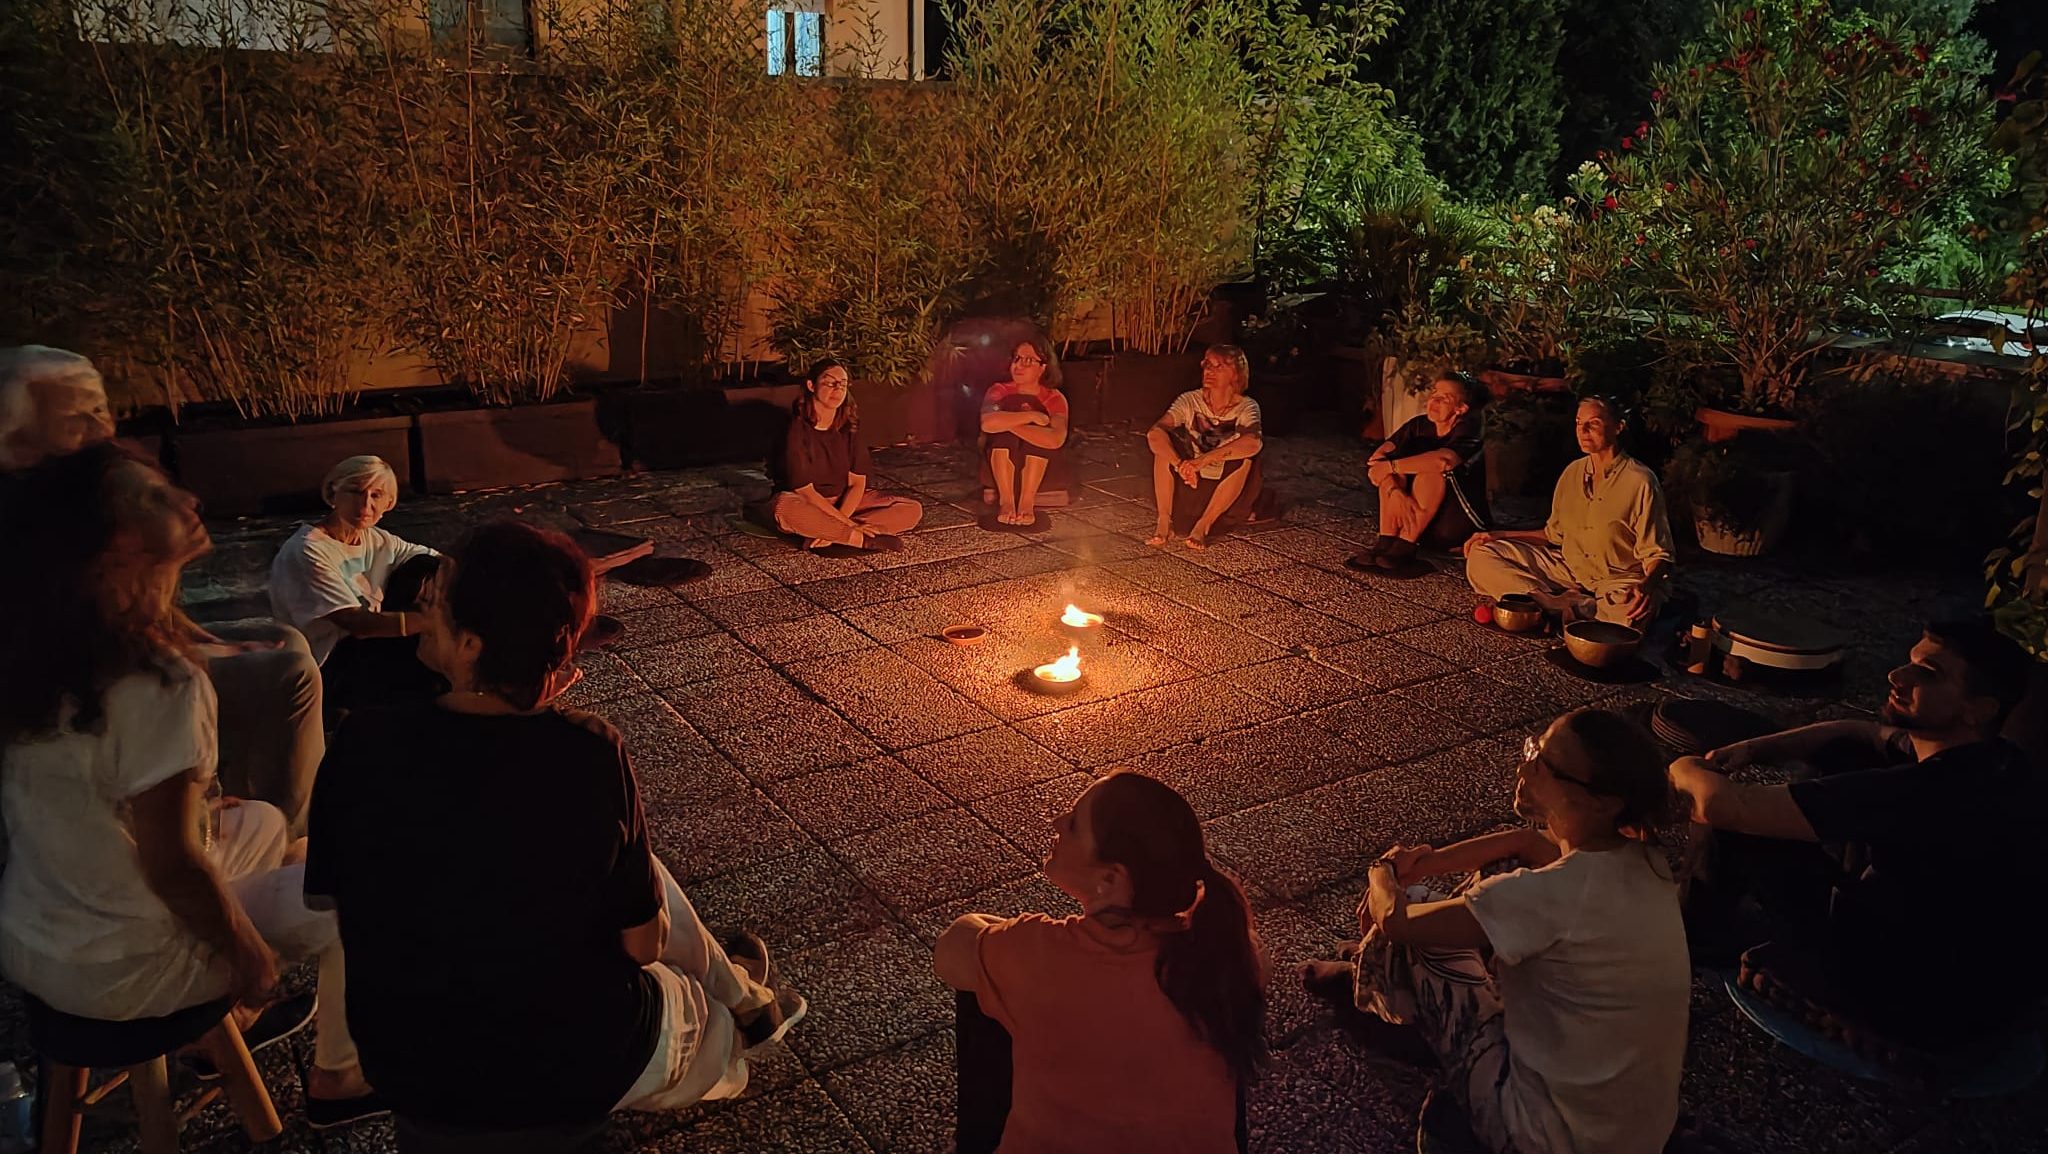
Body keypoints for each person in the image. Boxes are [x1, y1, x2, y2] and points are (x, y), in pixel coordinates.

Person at [303, 520, 804, 1136]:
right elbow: (641, 947)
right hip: (572, 1062)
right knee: (708, 1027)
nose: (422, 610)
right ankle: (744, 1007)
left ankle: (742, 990)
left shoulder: (361, 742)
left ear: (471, 645)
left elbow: (331, 899)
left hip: (408, 1063)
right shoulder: (586, 750)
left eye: (437, 602)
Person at [0, 443, 380, 1128]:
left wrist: (197, 810)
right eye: (155, 498)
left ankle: (223, 1026)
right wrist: (251, 963)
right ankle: (337, 1075)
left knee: (264, 821)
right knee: (367, 884)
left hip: (37, 941)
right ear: (111, 544)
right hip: (132, 966)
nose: (189, 501)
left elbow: (91, 790)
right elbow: (173, 866)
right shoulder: (157, 681)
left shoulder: (38, 652)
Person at [1302, 709, 1689, 1154]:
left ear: (1602, 801)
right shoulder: (1645, 862)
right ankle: (1372, 972)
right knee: (1499, 874)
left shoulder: (1551, 893)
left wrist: (1383, 870)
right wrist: (1423, 861)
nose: (1525, 767)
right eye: (1534, 749)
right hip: (1629, 1133)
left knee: (1419, 927)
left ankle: (1377, 997)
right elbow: (1522, 843)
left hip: (1541, 1135)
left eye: (1545, 766)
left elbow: (1397, 920)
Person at [1667, 619, 2042, 1058]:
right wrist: (1756, 749)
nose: (1897, 677)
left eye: (1929, 674)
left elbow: (1723, 806)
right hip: (1982, 984)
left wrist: (1684, 768)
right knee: (1844, 754)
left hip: (1922, 1002)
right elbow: (1857, 731)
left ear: (1979, 709)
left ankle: (1694, 934)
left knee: (1733, 821)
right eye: (1910, 663)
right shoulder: (1998, 759)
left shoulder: (1929, 791)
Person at [2, 345, 324, 834]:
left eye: (99, 409)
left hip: (120, 644)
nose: (98, 426)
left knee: (283, 636)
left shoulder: (82, 480)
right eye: (75, 415)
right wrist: (191, 652)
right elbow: (88, 634)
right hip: (94, 674)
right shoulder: (36, 516)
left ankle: (249, 798)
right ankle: (291, 833)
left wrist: (214, 642)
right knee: (289, 670)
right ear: (16, 434)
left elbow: (143, 594)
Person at [935, 770, 1264, 1154]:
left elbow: (950, 951)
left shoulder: (1042, 954)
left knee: (984, 984)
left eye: (1073, 825)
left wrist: (1003, 935)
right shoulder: (1220, 957)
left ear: (1110, 879)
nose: (1057, 823)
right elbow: (1258, 960)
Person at [1464, 396, 1674, 626]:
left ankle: (1559, 607)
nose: (1583, 431)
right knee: (1480, 555)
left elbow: (1658, 554)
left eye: (1593, 423)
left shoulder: (1640, 481)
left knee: (1628, 612)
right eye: (1578, 423)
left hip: (1618, 578)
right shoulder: (1572, 473)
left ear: (1618, 427)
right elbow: (1552, 536)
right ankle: (1551, 602)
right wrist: (1497, 536)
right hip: (1569, 569)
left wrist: (1647, 586)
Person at [269, 454, 443, 712]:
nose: (365, 504)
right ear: (333, 493)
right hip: (327, 666)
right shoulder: (307, 550)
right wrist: (438, 622)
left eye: (376, 495)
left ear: (389, 503)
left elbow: (440, 562)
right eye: (355, 492)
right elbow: (356, 623)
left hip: (367, 652)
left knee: (426, 568)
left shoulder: (379, 540)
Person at [771, 358, 922, 553]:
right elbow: (805, 492)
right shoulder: (796, 430)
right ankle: (858, 539)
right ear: (811, 385)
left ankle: (833, 534)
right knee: (783, 507)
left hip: (844, 503)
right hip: (810, 504)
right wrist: (849, 525)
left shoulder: (847, 427)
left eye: (842, 384)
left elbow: (857, 484)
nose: (838, 388)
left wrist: (845, 520)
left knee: (911, 508)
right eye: (829, 382)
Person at [1347, 372, 1489, 571]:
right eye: (1434, 394)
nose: (1434, 401)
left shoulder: (1469, 431)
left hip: (1451, 524)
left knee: (1429, 471)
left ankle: (1405, 546)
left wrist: (1391, 467)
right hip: (1413, 515)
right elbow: (1377, 463)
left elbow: (1443, 461)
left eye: (1444, 399)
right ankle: (1386, 543)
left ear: (1460, 408)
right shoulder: (1418, 425)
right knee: (1394, 471)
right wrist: (1395, 492)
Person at [1146, 344, 1265, 551]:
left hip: (1223, 482)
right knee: (1163, 444)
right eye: (1208, 365)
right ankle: (1164, 521)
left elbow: (1253, 441)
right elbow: (1154, 433)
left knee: (1245, 457)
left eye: (1219, 367)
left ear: (1236, 374)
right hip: (1191, 480)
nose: (1210, 371)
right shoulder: (1190, 400)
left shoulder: (1246, 407)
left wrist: (1202, 461)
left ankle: (1204, 525)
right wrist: (1181, 464)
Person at [980, 335, 1070, 527]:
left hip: (1040, 461)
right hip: (1002, 456)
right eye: (1017, 359)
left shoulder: (1053, 398)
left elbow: (1055, 438)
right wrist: (1029, 417)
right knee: (1009, 416)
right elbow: (988, 423)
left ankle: (1027, 502)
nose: (1019, 365)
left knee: (1034, 429)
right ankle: (1007, 501)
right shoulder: (999, 390)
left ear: (1043, 367)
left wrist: (1011, 423)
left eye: (1028, 360)